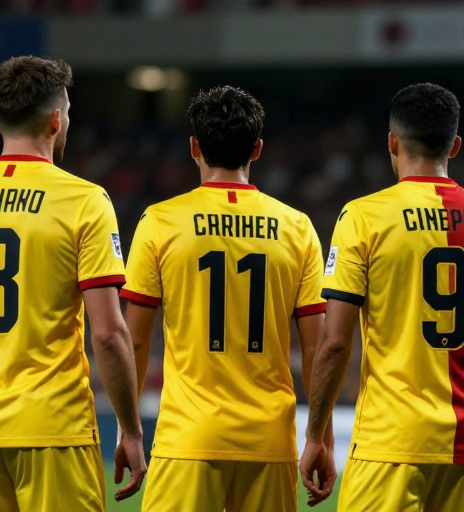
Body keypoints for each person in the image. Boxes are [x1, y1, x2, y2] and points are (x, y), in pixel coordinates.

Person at [300, 83, 464, 511]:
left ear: (392, 142)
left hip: (388, 442)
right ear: (455, 145)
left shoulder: (363, 217)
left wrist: (316, 435)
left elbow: (334, 342)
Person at [0, 56, 145, 511]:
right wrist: (131, 431)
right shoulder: (84, 201)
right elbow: (108, 334)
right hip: (55, 428)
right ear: (56, 121)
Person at [120, 86, 329, 512]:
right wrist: (320, 438)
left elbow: (135, 341)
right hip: (270, 440)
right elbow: (317, 348)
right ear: (257, 149)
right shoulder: (297, 227)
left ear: (194, 147)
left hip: (187, 438)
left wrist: (130, 430)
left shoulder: (161, 221)